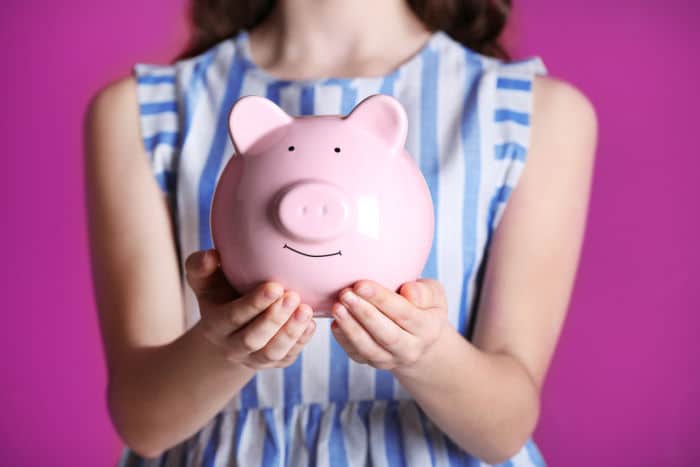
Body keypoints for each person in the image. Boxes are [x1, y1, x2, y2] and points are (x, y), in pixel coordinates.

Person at [83, 0, 597, 465]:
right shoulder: (143, 113)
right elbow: (143, 423)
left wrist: (423, 353)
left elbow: (504, 430)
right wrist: (225, 348)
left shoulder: (533, 112)